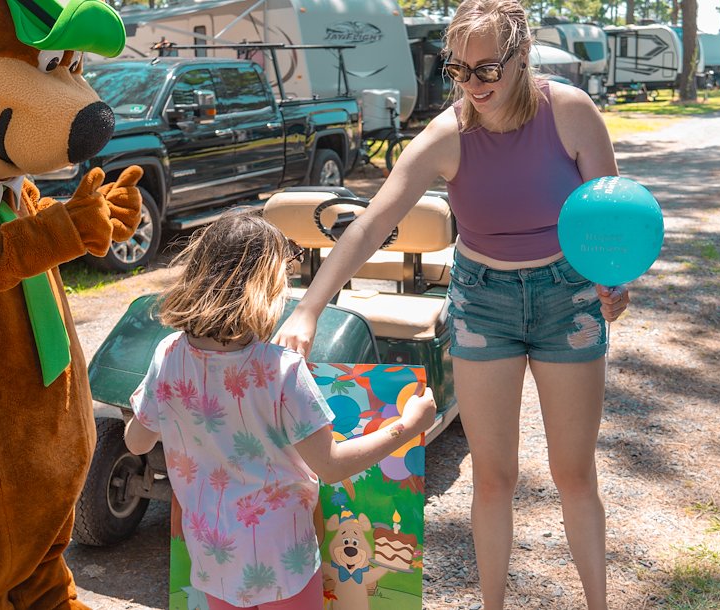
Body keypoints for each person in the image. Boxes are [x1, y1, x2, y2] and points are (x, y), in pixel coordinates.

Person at [274, 1, 629, 607]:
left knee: (575, 474)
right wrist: (308, 307)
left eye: (487, 69)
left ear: (522, 56)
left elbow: (609, 213)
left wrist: (613, 279)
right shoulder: (448, 134)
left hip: (565, 298)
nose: (472, 85)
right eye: (458, 70)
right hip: (482, 301)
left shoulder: (570, 112)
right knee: (494, 478)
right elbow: (368, 225)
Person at [123, 213, 438, 610]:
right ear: (268, 286)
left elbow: (137, 440)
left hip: (213, 554)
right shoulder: (281, 369)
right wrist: (409, 425)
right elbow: (331, 465)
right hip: (283, 558)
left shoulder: (168, 353)